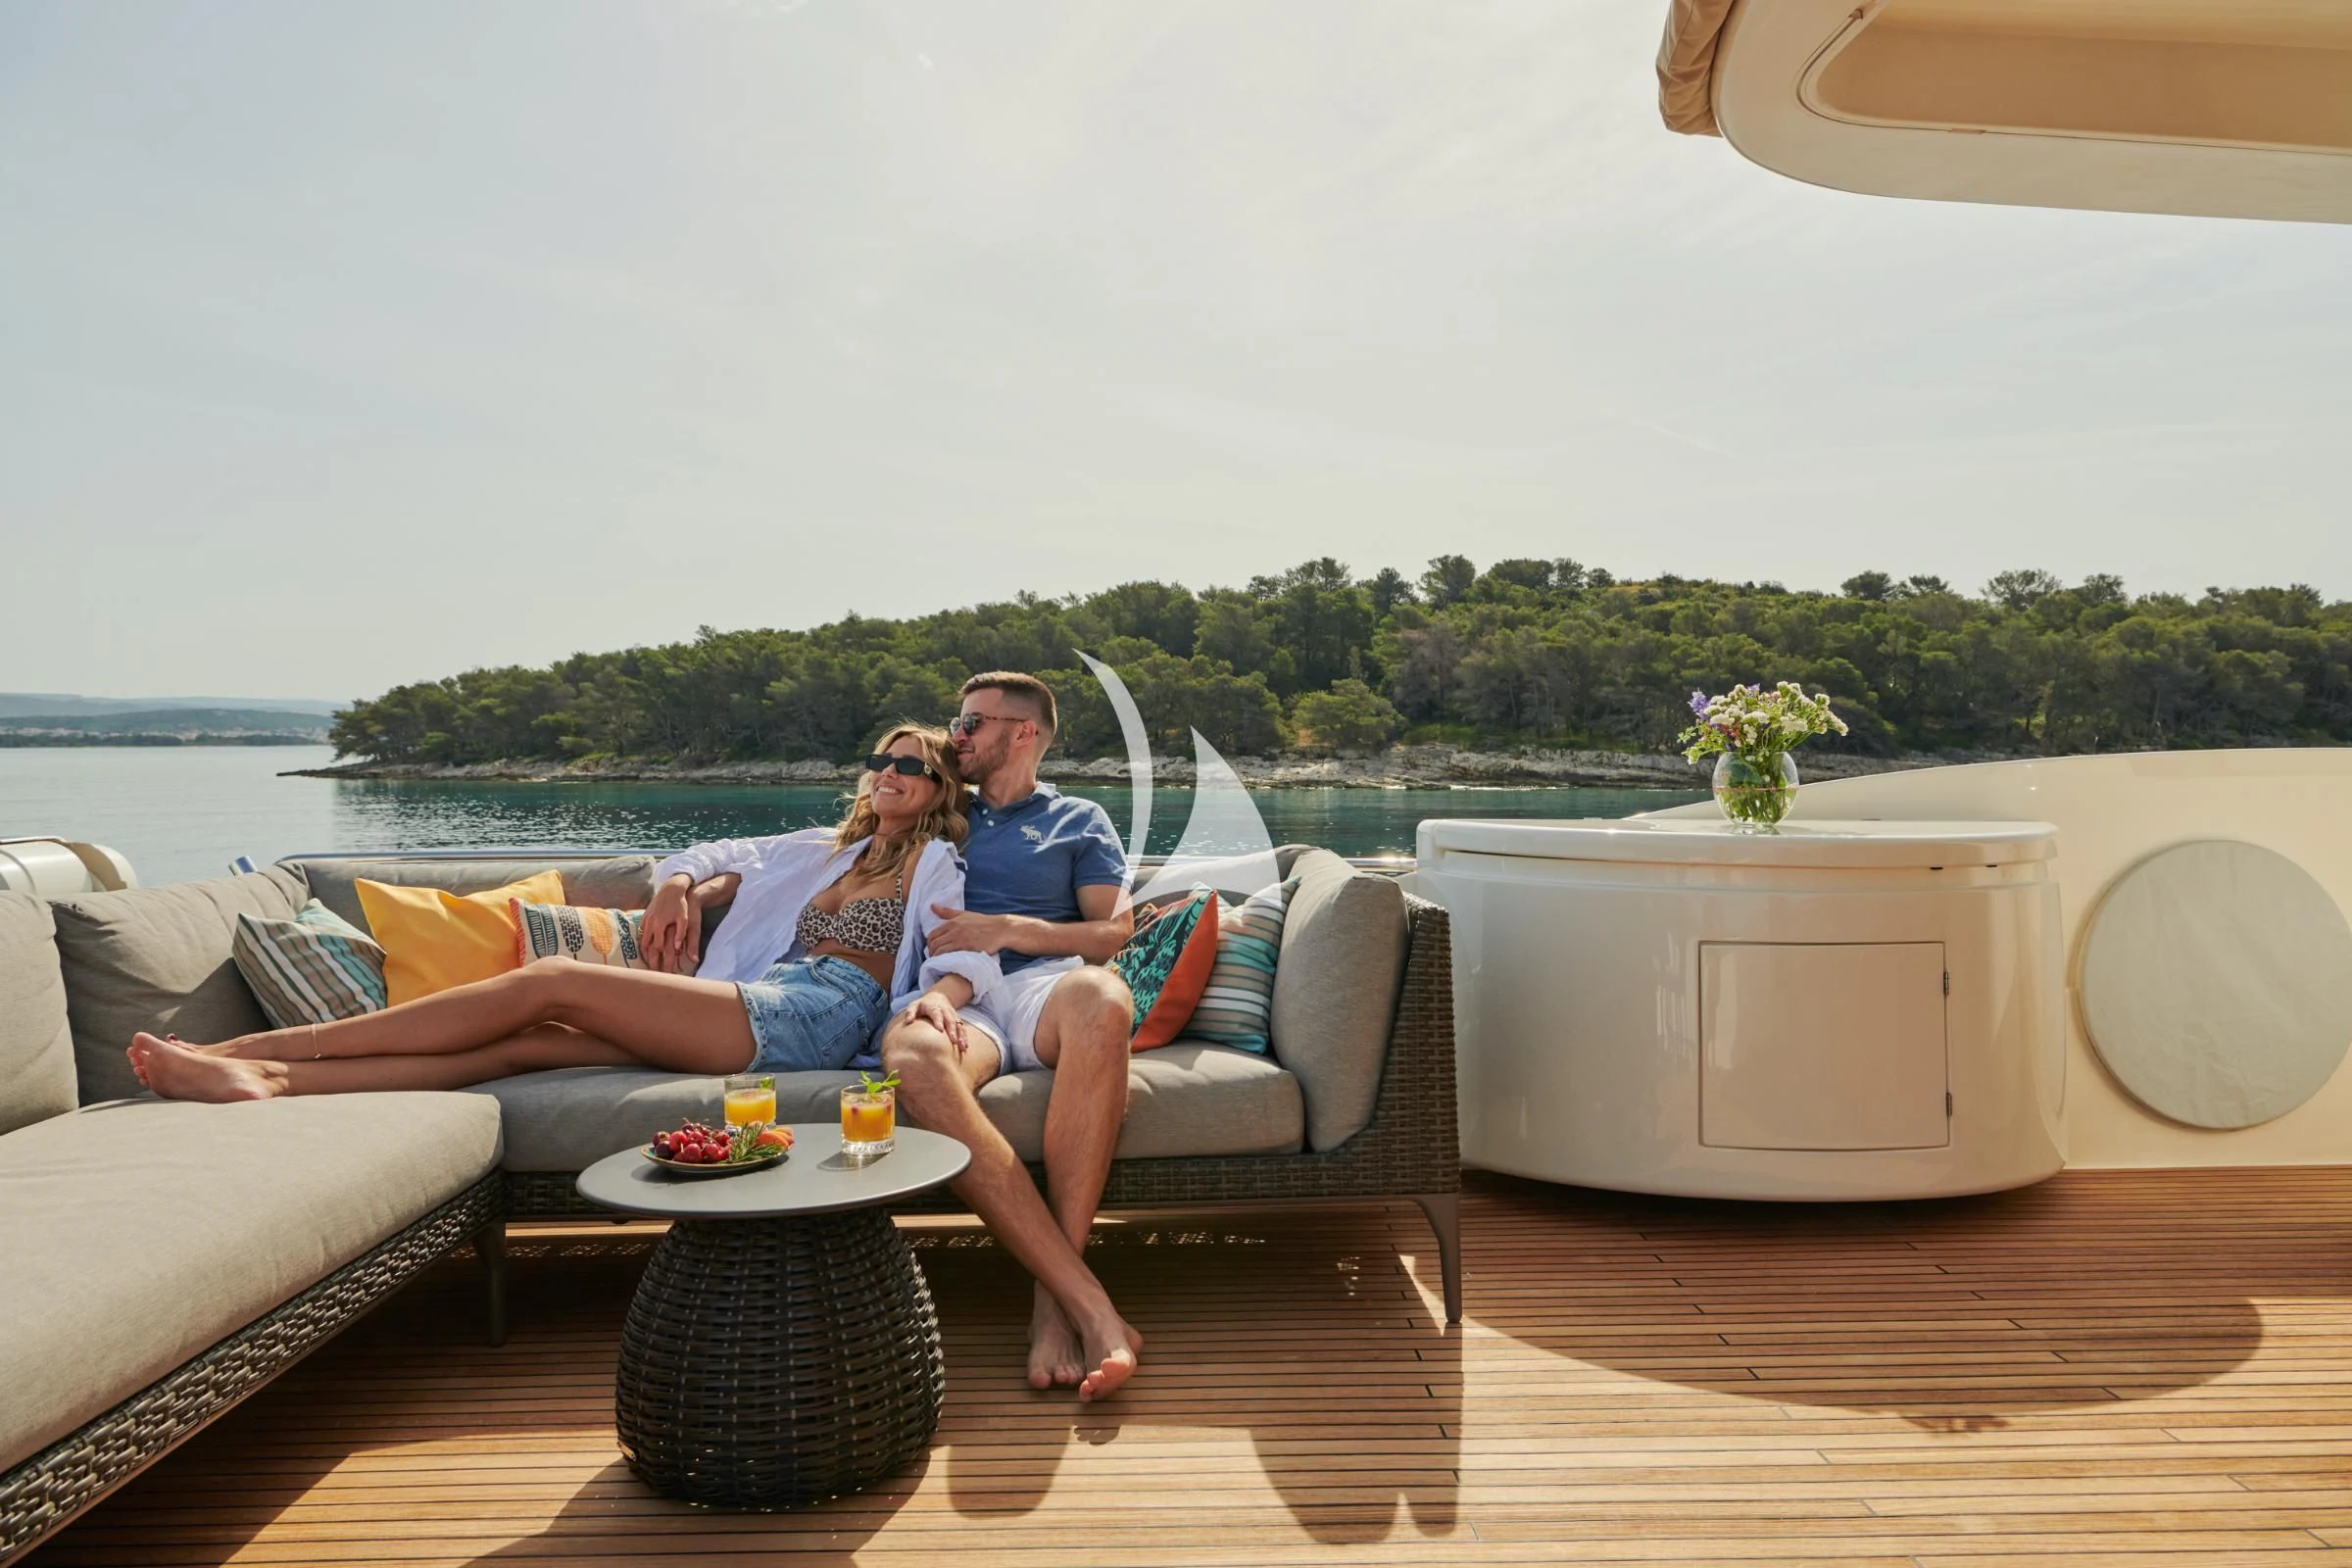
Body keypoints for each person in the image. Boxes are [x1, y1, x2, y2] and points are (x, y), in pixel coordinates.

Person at [126, 725, 997, 1103]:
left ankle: (239, 1048)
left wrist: (944, 1002)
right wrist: (671, 887)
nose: (888, 774)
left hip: (819, 1016)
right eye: (881, 760)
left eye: (911, 768)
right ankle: (270, 1082)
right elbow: (708, 857)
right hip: (764, 1001)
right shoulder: (821, 848)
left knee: (550, 983)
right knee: (517, 1049)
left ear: (939, 790)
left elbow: (970, 951)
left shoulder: (940, 861)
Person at [878, 671, 1145, 1404]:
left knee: (1101, 996)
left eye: (971, 723)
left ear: (1023, 732)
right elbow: (809, 848)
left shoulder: (1079, 818)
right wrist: (686, 880)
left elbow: (1112, 932)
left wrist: (1012, 930)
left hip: (1041, 986)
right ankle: (1086, 1301)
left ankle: (1050, 1305)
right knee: (912, 1055)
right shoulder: (935, 806)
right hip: (949, 989)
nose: (954, 736)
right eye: (957, 723)